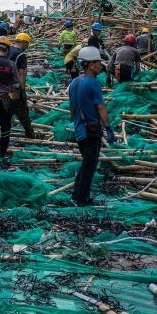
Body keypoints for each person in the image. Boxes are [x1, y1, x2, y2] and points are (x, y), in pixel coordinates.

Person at [68, 46, 116, 206]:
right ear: (90, 65)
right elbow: (101, 107)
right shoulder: (93, 83)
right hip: (92, 130)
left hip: (79, 129)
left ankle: (77, 194)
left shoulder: (74, 82)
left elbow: (71, 108)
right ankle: (82, 199)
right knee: (90, 165)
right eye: (98, 63)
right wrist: (108, 128)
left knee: (86, 163)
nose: (101, 66)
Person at [8, 32, 36, 142]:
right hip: (14, 89)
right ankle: (30, 135)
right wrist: (22, 90)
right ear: (24, 43)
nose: (27, 47)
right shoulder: (21, 55)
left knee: (2, 112)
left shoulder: (7, 50)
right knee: (23, 112)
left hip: (3, 88)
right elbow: (22, 73)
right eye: (27, 44)